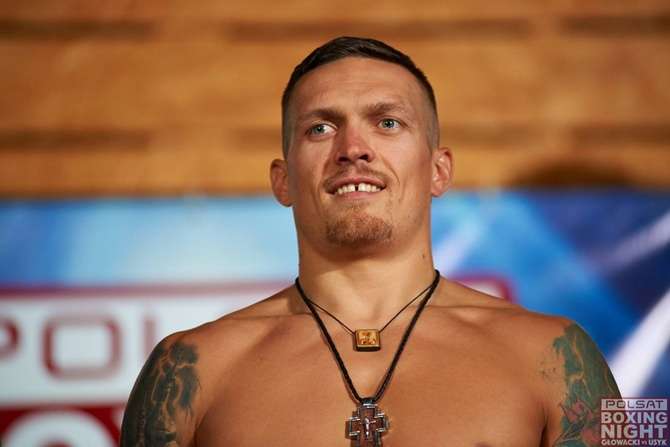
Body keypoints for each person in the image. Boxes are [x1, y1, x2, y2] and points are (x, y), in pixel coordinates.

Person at [121, 36, 620, 446]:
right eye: (320, 128)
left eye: (387, 123)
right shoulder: (189, 369)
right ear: (283, 180)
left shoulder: (558, 357)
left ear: (439, 170)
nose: (353, 149)